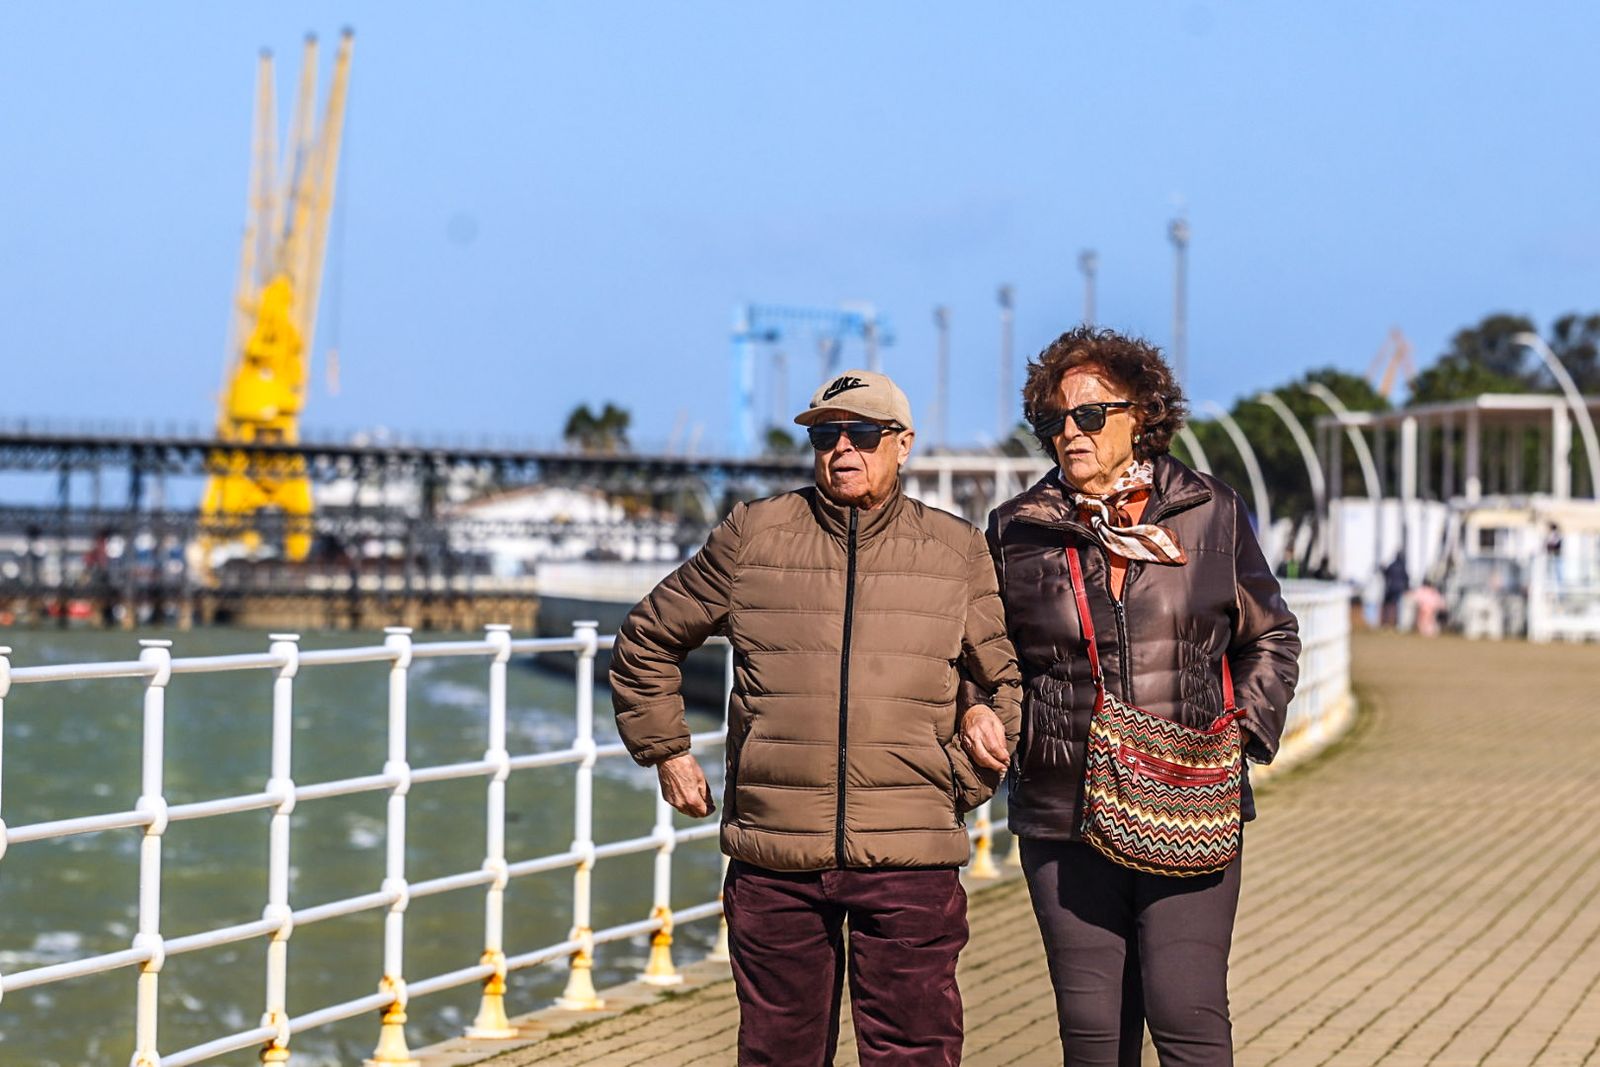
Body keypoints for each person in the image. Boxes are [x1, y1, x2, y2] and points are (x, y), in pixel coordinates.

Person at [611, 369, 1022, 1067]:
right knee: (778, 1054)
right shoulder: (754, 535)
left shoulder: (957, 551)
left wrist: (954, 783)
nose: (842, 448)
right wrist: (667, 750)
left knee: (916, 1052)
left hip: (910, 859)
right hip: (775, 856)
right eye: (825, 434)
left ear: (903, 443)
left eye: (862, 433)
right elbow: (647, 638)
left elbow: (1003, 683)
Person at [960, 327, 1300, 1066]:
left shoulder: (1209, 511)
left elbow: (1270, 635)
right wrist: (976, 706)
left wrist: (1239, 734)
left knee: (1188, 1016)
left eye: (1088, 415)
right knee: (1093, 1035)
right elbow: (987, 658)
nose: (1068, 433)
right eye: (1053, 421)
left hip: (1189, 797)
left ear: (1141, 413)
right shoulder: (1017, 530)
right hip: (1063, 807)